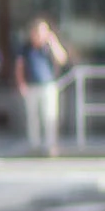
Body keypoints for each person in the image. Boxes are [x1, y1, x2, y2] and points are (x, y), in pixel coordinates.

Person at [14, 15, 69, 155]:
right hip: (31, 86)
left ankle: (50, 145)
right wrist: (21, 84)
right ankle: (34, 145)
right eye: (37, 31)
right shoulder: (26, 48)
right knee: (33, 117)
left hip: (48, 86)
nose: (39, 35)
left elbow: (62, 59)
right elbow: (19, 66)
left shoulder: (49, 47)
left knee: (50, 116)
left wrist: (53, 42)